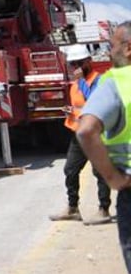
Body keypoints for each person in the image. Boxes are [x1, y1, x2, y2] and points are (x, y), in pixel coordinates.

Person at [77, 20, 131, 274]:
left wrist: (113, 178)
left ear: (128, 49)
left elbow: (86, 130)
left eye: (112, 46)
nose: (109, 53)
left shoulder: (116, 82)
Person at [48, 44, 111, 223]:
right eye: (72, 64)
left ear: (88, 62)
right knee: (70, 170)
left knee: (99, 172)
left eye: (78, 64)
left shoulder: (99, 81)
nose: (74, 68)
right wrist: (71, 111)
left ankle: (103, 210)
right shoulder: (76, 84)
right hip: (79, 134)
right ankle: (72, 208)